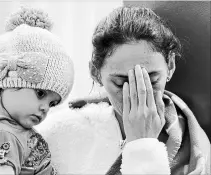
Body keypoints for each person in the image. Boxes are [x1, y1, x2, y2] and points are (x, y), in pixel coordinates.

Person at [36, 6, 210, 175]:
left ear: (170, 65)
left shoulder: (194, 143)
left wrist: (143, 145)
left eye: (152, 79)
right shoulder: (55, 136)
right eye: (120, 83)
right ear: (95, 73)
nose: (138, 93)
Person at [0, 7, 74, 175]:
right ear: (8, 82)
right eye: (40, 94)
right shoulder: (5, 134)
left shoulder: (17, 130)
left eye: (52, 103)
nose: (45, 108)